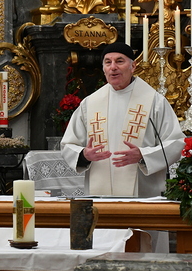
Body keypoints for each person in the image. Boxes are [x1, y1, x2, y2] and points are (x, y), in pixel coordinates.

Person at [61, 42, 185, 197]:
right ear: (104, 69)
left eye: (119, 61)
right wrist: (84, 155)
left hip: (143, 193)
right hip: (99, 191)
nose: (113, 67)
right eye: (108, 62)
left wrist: (143, 155)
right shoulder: (90, 103)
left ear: (133, 67)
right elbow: (68, 145)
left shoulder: (154, 101)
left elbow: (176, 142)